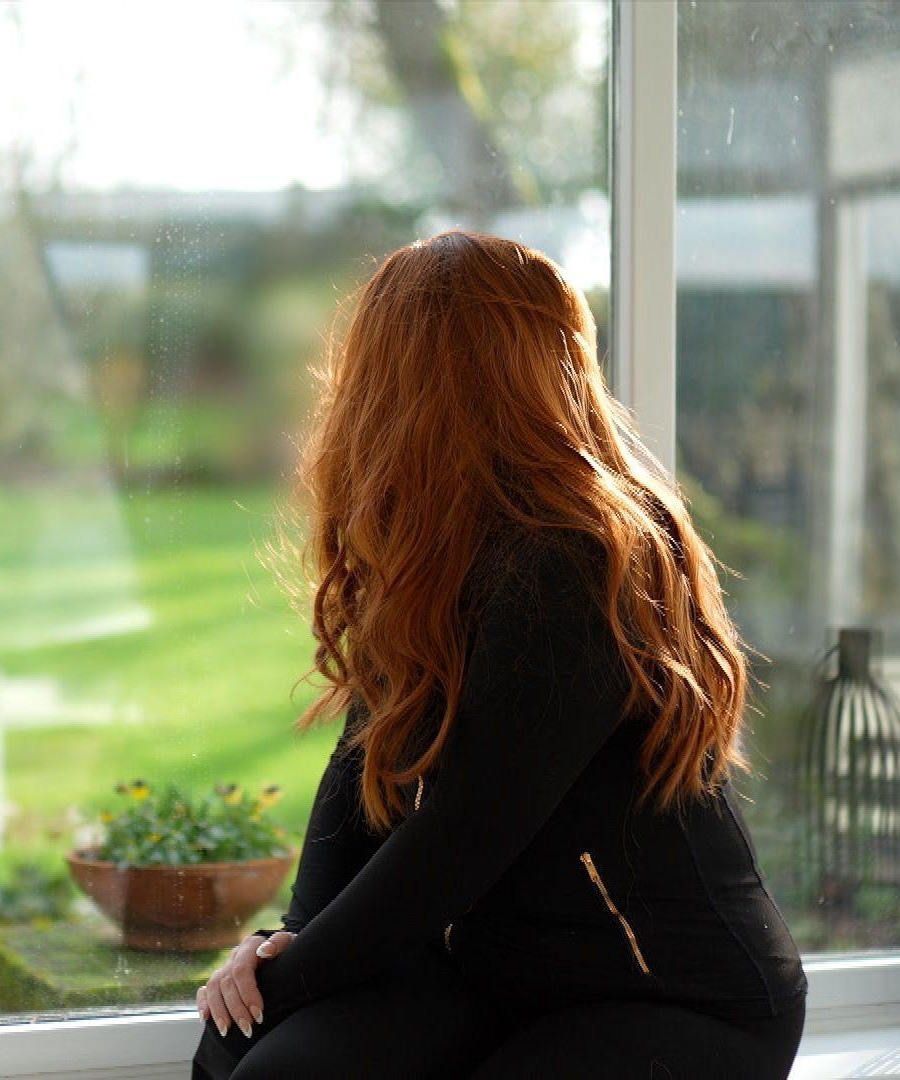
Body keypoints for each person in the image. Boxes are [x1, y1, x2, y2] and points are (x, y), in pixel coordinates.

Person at [191, 230, 807, 1079]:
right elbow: (365, 758)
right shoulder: (434, 542)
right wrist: (281, 949)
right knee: (246, 1048)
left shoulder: (583, 560)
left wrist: (290, 976)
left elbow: (458, 838)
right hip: (497, 972)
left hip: (676, 998)